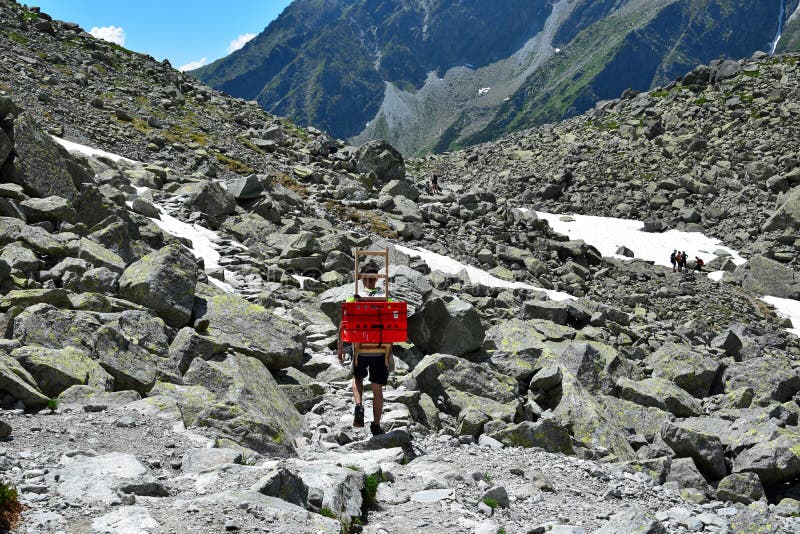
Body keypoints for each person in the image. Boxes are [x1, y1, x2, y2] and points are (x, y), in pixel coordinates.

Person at [340, 260, 390, 436]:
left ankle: (359, 405)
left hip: (360, 348)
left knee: (357, 378)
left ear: (362, 279)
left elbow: (344, 324)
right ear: (376, 280)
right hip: (379, 349)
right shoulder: (386, 297)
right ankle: (376, 425)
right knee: (377, 388)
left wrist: (340, 349)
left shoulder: (354, 297)